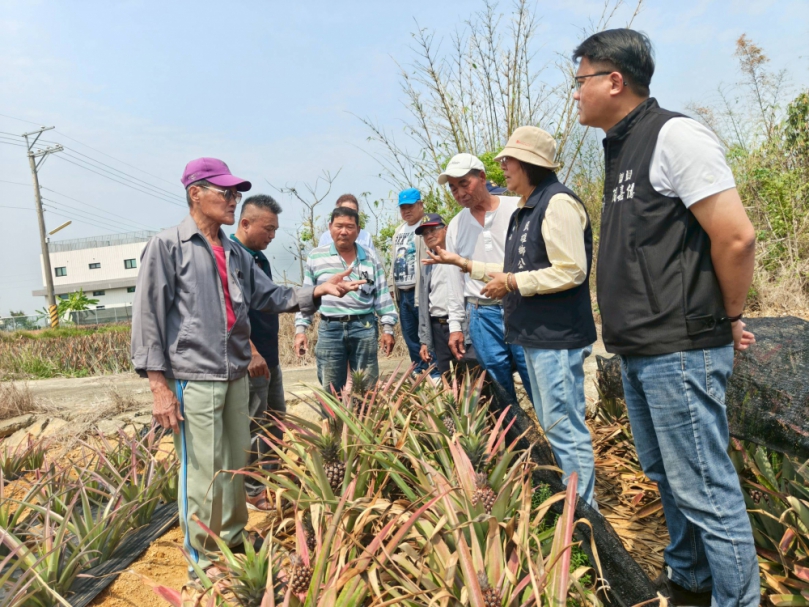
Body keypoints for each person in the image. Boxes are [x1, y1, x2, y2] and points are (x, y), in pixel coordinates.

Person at [573, 29, 758, 605]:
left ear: (614, 80)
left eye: (579, 81)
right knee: (668, 477)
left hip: (681, 347)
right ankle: (690, 580)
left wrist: (730, 315)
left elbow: (735, 236)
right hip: (642, 349)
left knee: (705, 489)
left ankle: (736, 599)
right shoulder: (620, 146)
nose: (574, 94)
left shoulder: (673, 135)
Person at [131, 158, 363, 577]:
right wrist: (159, 387)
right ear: (195, 193)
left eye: (236, 193)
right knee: (202, 470)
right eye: (226, 192)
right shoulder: (167, 247)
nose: (233, 200)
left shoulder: (235, 251)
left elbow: (269, 296)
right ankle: (203, 558)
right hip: (193, 376)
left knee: (235, 462)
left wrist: (318, 290)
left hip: (236, 373)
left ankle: (233, 537)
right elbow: (147, 317)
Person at [424, 127, 599, 507]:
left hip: (553, 332)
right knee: (520, 406)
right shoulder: (526, 207)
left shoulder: (553, 204)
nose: (504, 168)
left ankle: (585, 516)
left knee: (561, 424)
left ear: (530, 164)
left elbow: (570, 270)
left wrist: (512, 282)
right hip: (524, 327)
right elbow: (513, 267)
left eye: (509, 161)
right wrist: (465, 264)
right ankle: (558, 492)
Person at [437, 153, 533, 404]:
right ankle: (515, 441)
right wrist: (456, 326)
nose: (459, 193)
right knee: (498, 386)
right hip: (481, 315)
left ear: (482, 177)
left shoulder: (517, 208)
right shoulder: (457, 225)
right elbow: (454, 281)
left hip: (521, 307)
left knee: (535, 377)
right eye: (453, 188)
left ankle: (550, 437)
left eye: (464, 184)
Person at [295, 206, 397, 393]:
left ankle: (364, 421)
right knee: (331, 388)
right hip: (330, 329)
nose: (344, 231)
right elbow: (306, 297)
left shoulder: (370, 257)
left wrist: (388, 328)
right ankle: (333, 423)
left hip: (364, 328)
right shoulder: (316, 256)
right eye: (339, 226)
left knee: (366, 388)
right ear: (330, 227)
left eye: (350, 227)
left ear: (358, 230)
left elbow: (382, 295)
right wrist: (301, 330)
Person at [229, 194, 285, 512]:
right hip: (253, 361)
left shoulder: (259, 259)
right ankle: (252, 490)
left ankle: (275, 482)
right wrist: (250, 351)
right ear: (246, 223)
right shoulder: (232, 257)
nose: (273, 236)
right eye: (269, 229)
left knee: (276, 422)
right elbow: (232, 311)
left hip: (270, 356)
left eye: (275, 229)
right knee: (255, 426)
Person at [416, 213, 461, 376]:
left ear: (446, 229)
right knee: (446, 374)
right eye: (425, 234)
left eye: (434, 230)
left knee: (469, 372)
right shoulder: (427, 265)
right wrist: (425, 340)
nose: (429, 235)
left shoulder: (459, 256)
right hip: (437, 325)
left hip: (459, 325)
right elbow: (423, 304)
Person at [389, 188, 429, 374]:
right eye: (403, 207)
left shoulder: (427, 226)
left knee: (426, 335)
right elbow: (394, 259)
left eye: (410, 206)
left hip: (420, 291)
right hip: (402, 293)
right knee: (410, 335)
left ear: (420, 204)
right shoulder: (398, 231)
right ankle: (418, 371)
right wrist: (391, 285)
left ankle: (434, 372)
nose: (406, 211)